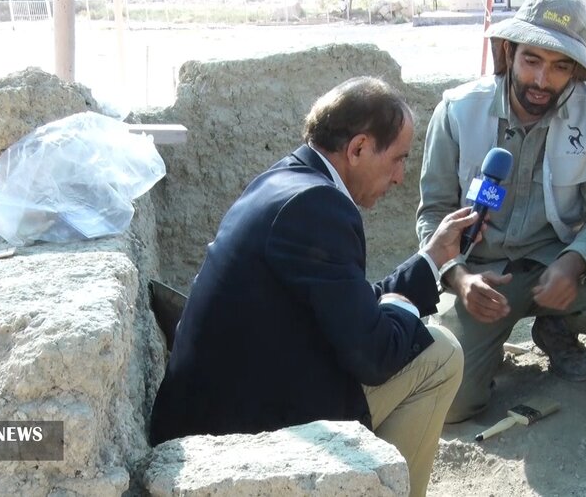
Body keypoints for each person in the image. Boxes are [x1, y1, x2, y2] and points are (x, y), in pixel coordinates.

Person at [150, 76, 476, 497]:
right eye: (398, 159)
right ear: (358, 149)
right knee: (441, 354)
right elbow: (372, 356)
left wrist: (432, 258)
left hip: (220, 406)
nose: (399, 177)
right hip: (241, 433)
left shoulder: (286, 181)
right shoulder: (319, 206)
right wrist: (400, 310)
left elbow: (344, 303)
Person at [416, 0, 586, 423]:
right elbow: (433, 213)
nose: (543, 81)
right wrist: (459, 278)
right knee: (449, 405)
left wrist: (574, 263)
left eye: (561, 66)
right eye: (532, 61)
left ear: (576, 71)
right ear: (509, 52)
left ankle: (556, 328)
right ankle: (477, 344)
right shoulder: (457, 111)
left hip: (556, 264)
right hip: (484, 275)